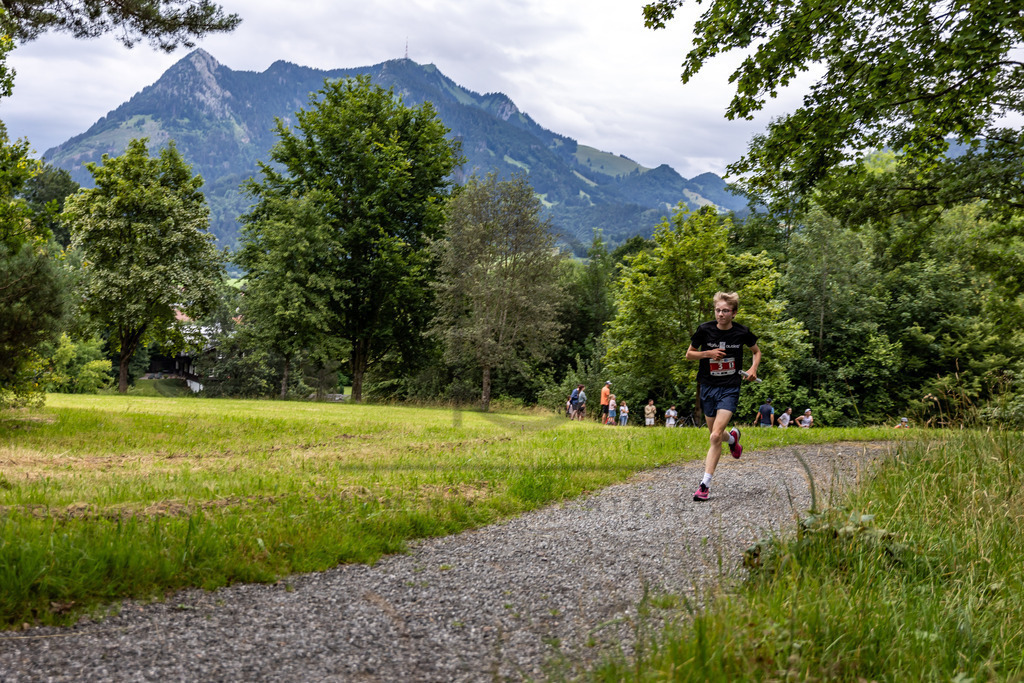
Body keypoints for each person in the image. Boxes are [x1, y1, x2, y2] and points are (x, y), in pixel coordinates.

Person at [686, 291, 762, 502]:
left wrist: (753, 368)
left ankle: (704, 485)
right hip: (708, 387)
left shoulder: (742, 332)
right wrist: (707, 354)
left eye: (725, 311)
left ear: (734, 313)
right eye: (718, 310)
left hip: (730, 387)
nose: (720, 314)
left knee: (714, 436)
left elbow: (756, 351)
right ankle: (733, 439)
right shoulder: (704, 330)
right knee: (716, 435)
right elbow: (689, 354)